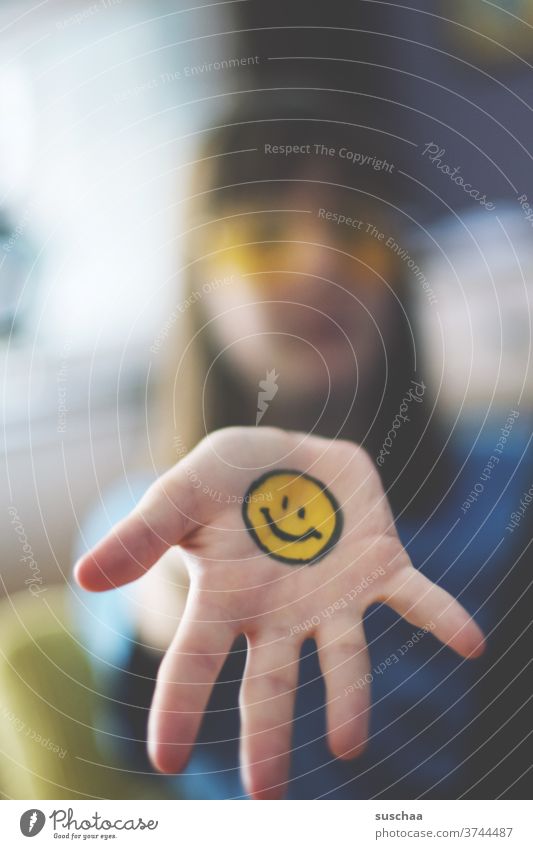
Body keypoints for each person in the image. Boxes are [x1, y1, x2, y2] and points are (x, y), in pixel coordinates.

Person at [72, 95, 532, 799]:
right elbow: (141, 712)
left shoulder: (512, 474)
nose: (321, 267)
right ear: (200, 283)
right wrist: (187, 556)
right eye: (261, 236)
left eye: (353, 232)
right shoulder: (130, 524)